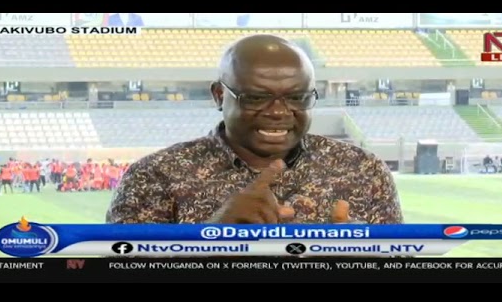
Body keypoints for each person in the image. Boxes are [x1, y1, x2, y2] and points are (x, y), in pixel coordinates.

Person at [106, 34, 403, 225]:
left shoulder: (362, 170)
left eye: (297, 97)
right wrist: (210, 238)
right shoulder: (156, 175)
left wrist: (367, 255)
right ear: (219, 96)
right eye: (257, 98)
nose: (278, 112)